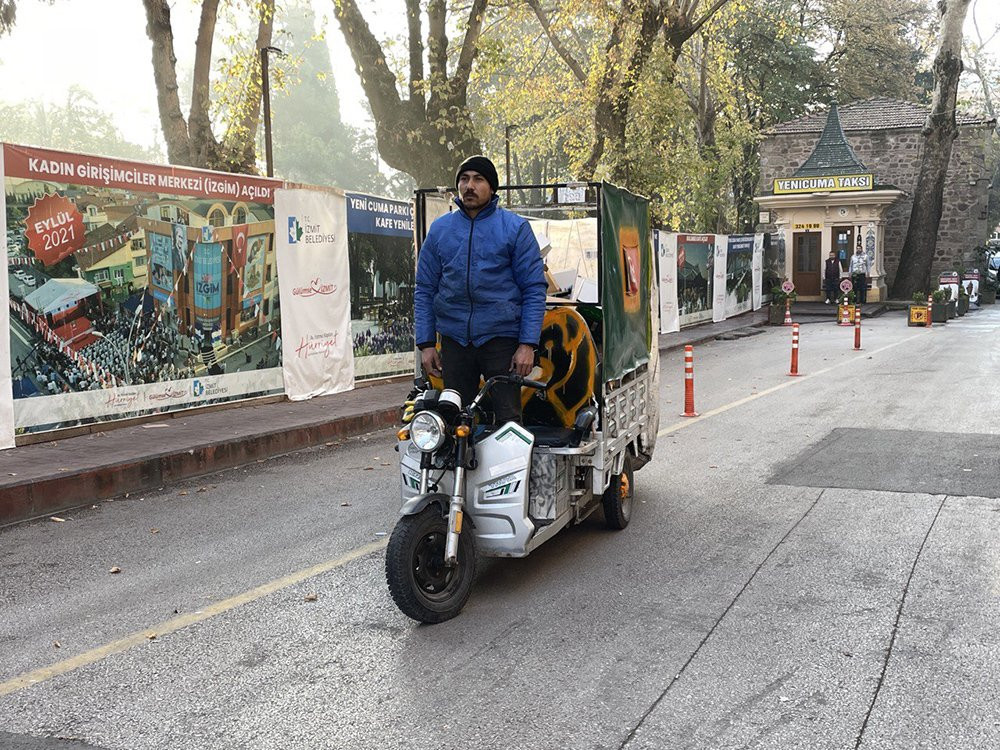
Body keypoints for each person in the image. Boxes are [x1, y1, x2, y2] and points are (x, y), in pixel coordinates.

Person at [415, 154, 547, 424]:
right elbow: (424, 288)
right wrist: (427, 344)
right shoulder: (440, 230)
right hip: (454, 342)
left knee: (508, 422)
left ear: (492, 187)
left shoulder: (515, 229)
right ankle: (460, 469)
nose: (469, 186)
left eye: (478, 179)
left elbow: (534, 288)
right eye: (464, 179)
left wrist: (527, 345)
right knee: (452, 422)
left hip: (501, 341)